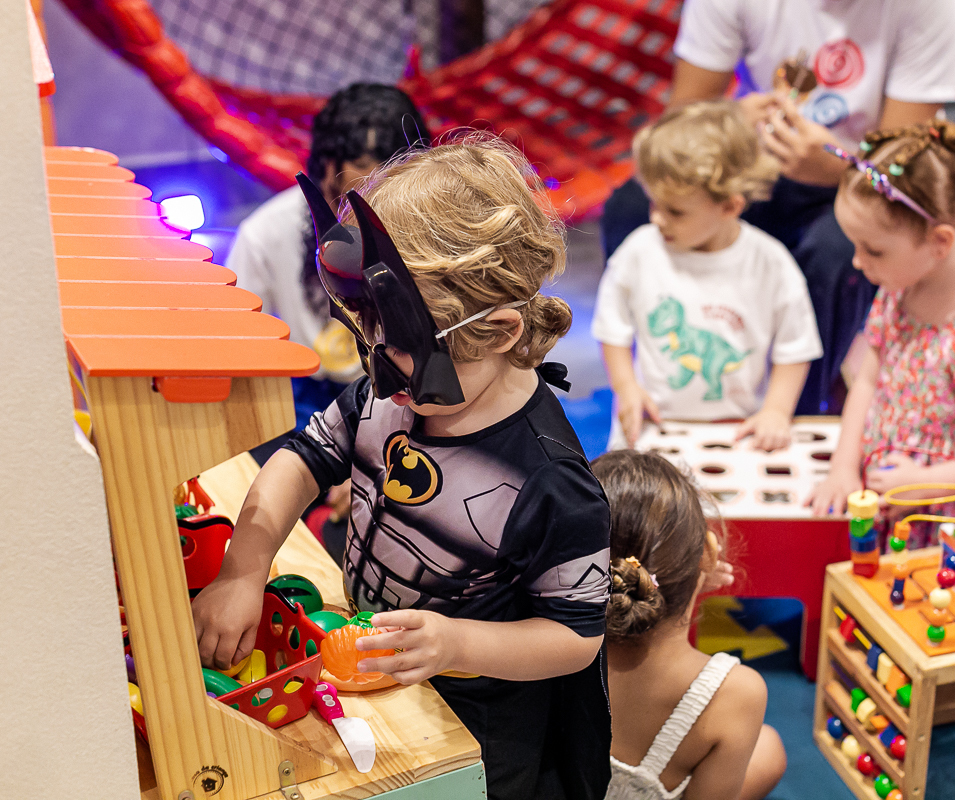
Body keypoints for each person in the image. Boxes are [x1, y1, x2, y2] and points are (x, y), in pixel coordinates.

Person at [192, 137, 612, 800]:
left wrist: (456, 643)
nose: (382, 379)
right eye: (371, 344)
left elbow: (574, 636)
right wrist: (243, 571)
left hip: (474, 735)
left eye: (404, 352)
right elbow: (301, 461)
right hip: (372, 685)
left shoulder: (549, 479)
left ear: (501, 332)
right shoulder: (390, 394)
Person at [601, 0, 955, 413]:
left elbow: (904, 166)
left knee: (837, 253)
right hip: (751, 161)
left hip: (862, 182)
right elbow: (682, 118)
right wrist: (728, 121)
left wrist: (837, 165)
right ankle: (646, 386)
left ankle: (793, 413)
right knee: (632, 209)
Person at [805, 119, 955, 549]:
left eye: (873, 250)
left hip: (943, 521)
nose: (858, 262)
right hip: (883, 496)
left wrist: (928, 482)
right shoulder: (902, 280)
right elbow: (868, 380)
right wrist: (843, 465)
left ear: (940, 241)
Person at [592, 102, 823, 452]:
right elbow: (612, 329)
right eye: (653, 203)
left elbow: (796, 345)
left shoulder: (770, 263)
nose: (657, 218)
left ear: (730, 206)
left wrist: (776, 410)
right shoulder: (638, 252)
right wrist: (626, 389)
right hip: (654, 427)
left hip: (740, 433)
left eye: (675, 211)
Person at [227, 82, 431, 425]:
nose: (378, 182)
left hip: (409, 394)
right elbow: (237, 345)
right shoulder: (265, 233)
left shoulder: (432, 223)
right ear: (323, 169)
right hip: (306, 401)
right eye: (362, 166)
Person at [594, 450, 786, 800]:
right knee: (769, 747)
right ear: (709, 553)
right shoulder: (737, 692)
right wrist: (686, 583)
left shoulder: (546, 640)